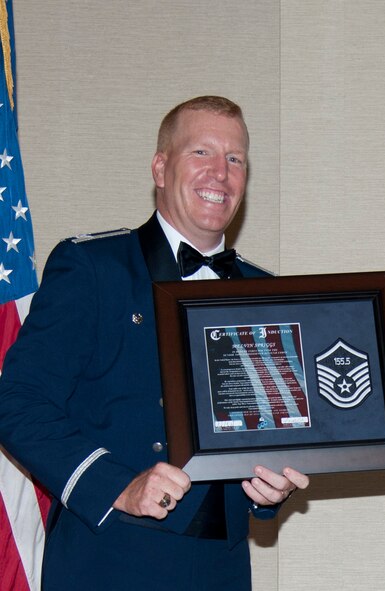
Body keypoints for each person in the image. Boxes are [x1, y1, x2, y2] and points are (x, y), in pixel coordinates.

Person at [0, 96, 309, 590]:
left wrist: (269, 488)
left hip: (221, 570)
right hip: (110, 560)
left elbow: (266, 436)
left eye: (235, 159)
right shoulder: (93, 268)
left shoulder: (264, 292)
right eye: (201, 153)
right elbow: (17, 403)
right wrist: (119, 485)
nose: (220, 173)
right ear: (160, 168)